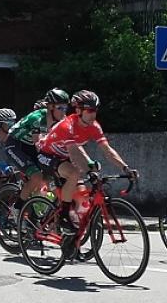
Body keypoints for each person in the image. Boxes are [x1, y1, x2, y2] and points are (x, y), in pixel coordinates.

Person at [36, 90, 137, 236]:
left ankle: (71, 236)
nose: (93, 114)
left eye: (95, 110)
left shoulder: (94, 126)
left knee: (82, 192)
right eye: (89, 110)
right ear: (78, 110)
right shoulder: (67, 125)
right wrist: (90, 171)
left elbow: (107, 150)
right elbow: (74, 154)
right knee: (74, 173)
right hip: (47, 155)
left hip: (63, 157)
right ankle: (63, 216)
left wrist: (126, 168)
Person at [5, 88, 69, 205]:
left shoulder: (62, 120)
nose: (64, 112)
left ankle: (43, 211)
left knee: (51, 178)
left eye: (65, 108)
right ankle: (17, 207)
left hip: (30, 147)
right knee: (37, 176)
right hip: (15, 145)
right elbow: (38, 144)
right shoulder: (37, 118)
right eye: (60, 108)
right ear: (50, 107)